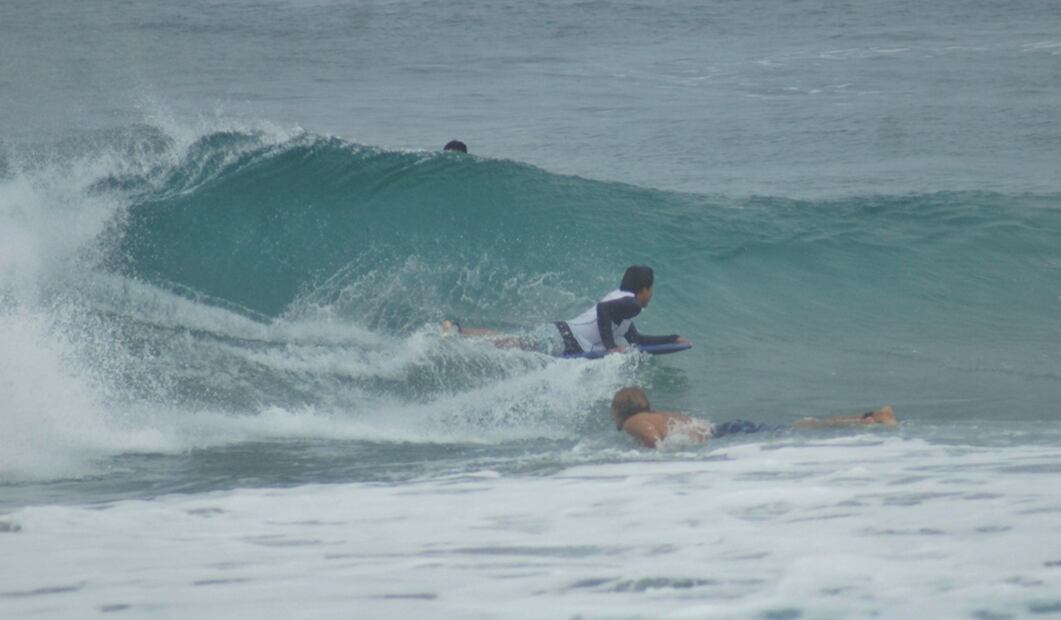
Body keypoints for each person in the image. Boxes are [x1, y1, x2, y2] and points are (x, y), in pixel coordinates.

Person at [442, 265, 688, 356]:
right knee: (508, 343)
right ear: (643, 289)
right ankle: (459, 332)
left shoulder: (623, 303)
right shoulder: (631, 304)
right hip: (566, 337)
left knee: (510, 342)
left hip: (563, 334)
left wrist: (672, 338)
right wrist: (611, 347)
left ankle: (459, 331)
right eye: (651, 289)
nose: (651, 295)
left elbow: (636, 339)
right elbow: (602, 311)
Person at [610, 386, 897, 449]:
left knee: (797, 429)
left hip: (727, 435)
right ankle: (866, 417)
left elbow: (652, 440)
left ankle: (869, 420)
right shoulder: (661, 414)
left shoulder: (633, 421)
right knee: (795, 428)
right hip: (727, 430)